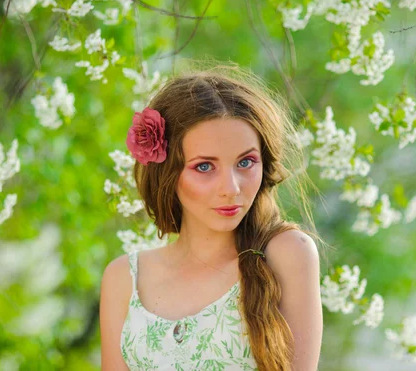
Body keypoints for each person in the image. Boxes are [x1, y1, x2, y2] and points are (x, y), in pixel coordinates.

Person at [100, 64, 324, 371]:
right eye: (204, 167)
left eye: (246, 162)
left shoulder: (287, 254)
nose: (231, 189)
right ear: (168, 174)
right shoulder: (124, 278)